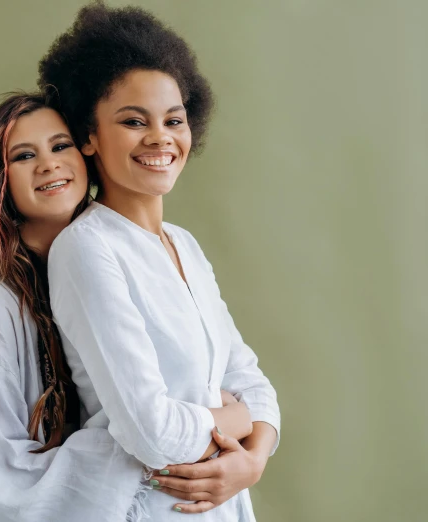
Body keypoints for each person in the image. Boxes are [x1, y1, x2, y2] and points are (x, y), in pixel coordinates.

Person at [0, 93, 254, 522]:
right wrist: (225, 421)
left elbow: (239, 377)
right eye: (24, 155)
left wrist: (242, 452)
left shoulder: (131, 255)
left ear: (87, 151)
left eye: (60, 145)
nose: (48, 164)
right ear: (0, 180)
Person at [41, 3, 281, 519]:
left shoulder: (184, 245)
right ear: (89, 135)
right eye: (133, 121)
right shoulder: (87, 249)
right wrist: (237, 416)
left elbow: (255, 384)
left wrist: (254, 461)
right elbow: (153, 433)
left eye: (174, 120)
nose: (160, 137)